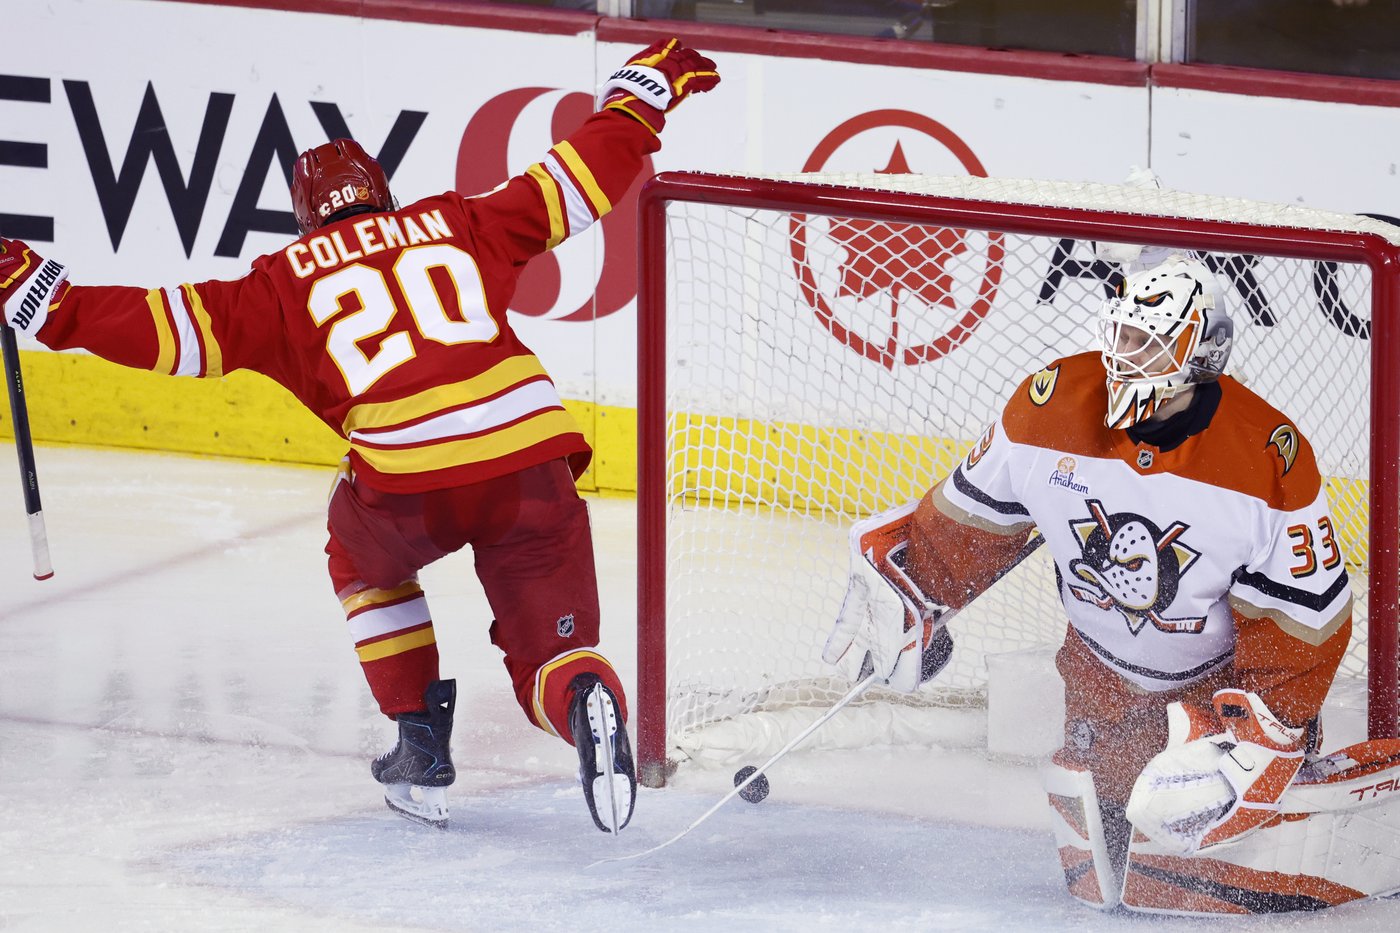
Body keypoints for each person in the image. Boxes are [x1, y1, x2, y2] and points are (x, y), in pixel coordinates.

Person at [0, 38, 719, 833]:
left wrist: (42, 296)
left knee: (356, 549)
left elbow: (161, 328)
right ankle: (584, 698)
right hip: (531, 458)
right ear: (383, 193)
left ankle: (420, 739)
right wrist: (638, 97)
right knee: (553, 652)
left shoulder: (281, 283)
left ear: (306, 218)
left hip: (410, 484)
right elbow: (575, 181)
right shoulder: (457, 222)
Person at [826, 254, 1400, 911]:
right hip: (1099, 679)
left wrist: (1264, 734)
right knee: (1103, 882)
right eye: (1121, 335)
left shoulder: (1265, 454)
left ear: (1201, 355)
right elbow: (971, 521)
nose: (1124, 358)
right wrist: (916, 588)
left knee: (1205, 886)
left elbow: (1304, 618)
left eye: (1147, 343)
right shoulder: (1050, 406)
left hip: (1216, 694)